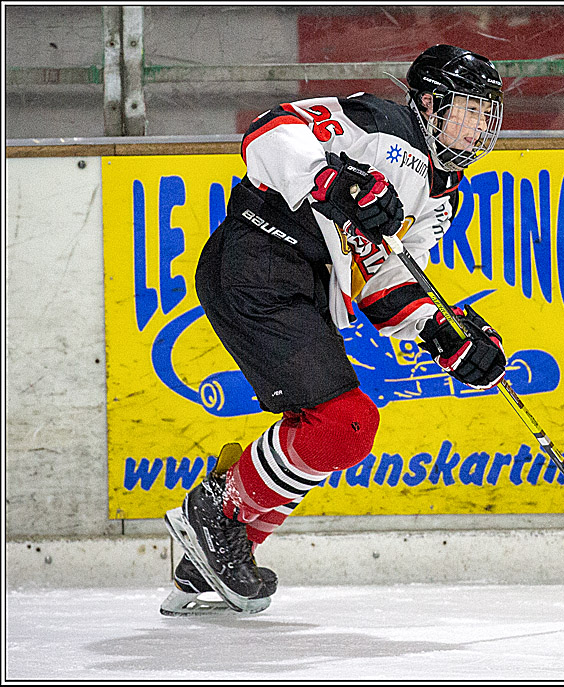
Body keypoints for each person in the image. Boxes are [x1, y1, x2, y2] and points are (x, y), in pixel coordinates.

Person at [161, 44, 507, 616]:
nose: (477, 127)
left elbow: (384, 279)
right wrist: (330, 181)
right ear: (428, 103)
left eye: (485, 114)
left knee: (336, 429)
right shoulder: (379, 122)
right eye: (466, 110)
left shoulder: (441, 196)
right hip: (257, 259)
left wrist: (445, 335)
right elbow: (268, 131)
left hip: (301, 279)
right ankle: (217, 511)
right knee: (345, 422)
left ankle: (213, 559)